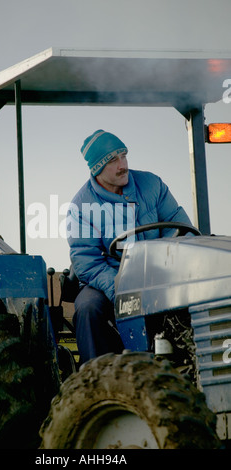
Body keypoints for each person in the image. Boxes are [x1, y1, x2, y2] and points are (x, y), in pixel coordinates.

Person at [66, 129, 195, 364]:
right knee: (87, 308)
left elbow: (178, 227)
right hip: (109, 277)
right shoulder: (81, 207)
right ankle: (96, 379)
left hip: (157, 273)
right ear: (97, 169)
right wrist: (120, 288)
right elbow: (86, 260)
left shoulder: (152, 184)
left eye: (123, 156)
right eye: (112, 161)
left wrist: (167, 270)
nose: (122, 165)